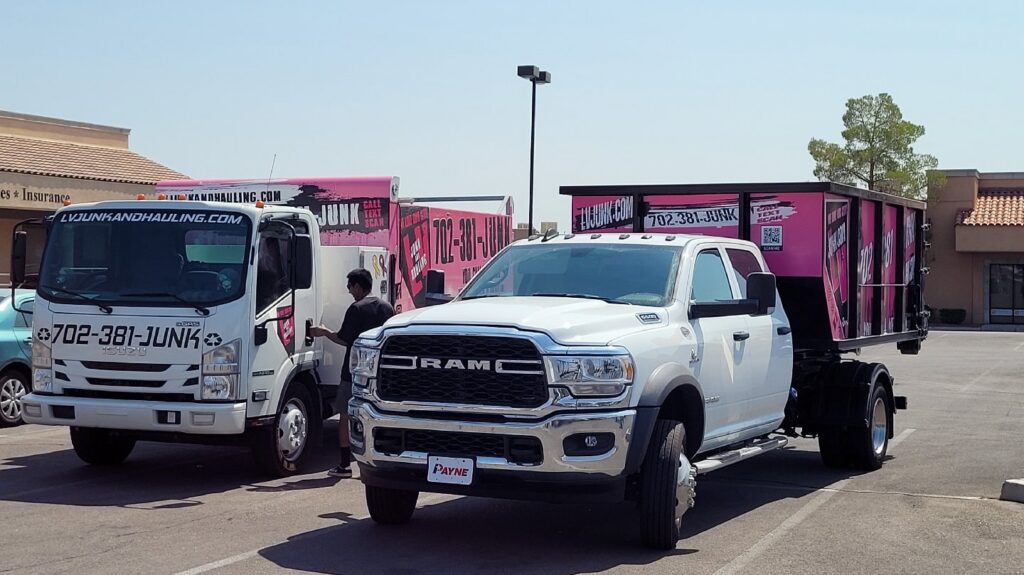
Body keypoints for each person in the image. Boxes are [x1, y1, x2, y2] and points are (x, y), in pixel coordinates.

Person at [309, 268, 394, 478]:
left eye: (350, 287)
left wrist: (324, 332)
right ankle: (380, 460)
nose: (349, 291)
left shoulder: (356, 308)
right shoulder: (387, 307)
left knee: (345, 416)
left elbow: (344, 339)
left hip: (353, 372)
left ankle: (344, 465)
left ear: (357, 286)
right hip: (379, 373)